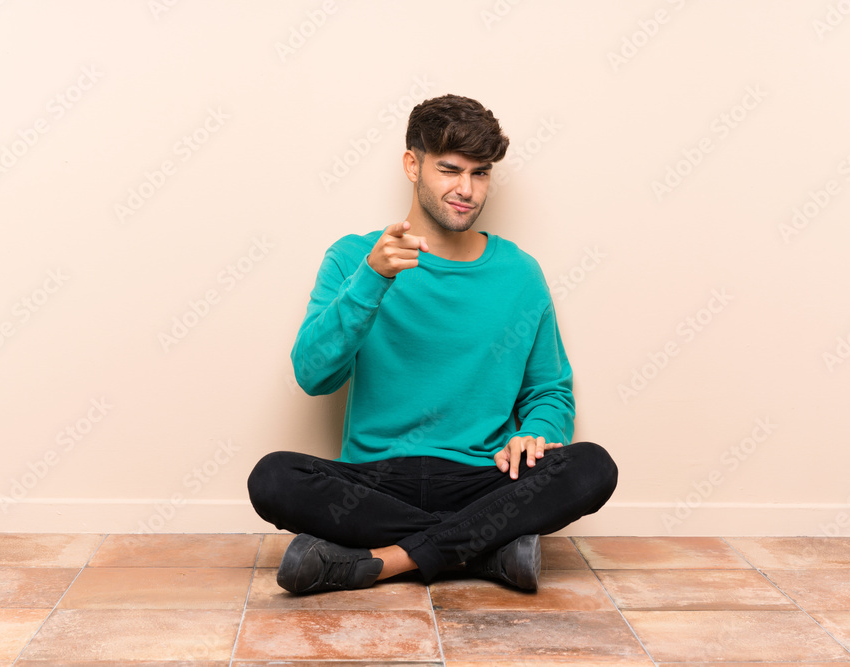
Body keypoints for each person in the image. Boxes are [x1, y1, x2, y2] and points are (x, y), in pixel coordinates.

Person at [247, 94, 617, 595]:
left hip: (483, 479)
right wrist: (373, 279)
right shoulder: (354, 258)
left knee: (593, 466)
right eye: (449, 170)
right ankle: (482, 551)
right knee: (273, 478)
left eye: (480, 174)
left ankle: (384, 561)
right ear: (412, 166)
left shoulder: (519, 272)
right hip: (374, 483)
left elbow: (549, 390)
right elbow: (313, 375)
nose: (466, 189)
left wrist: (536, 432)